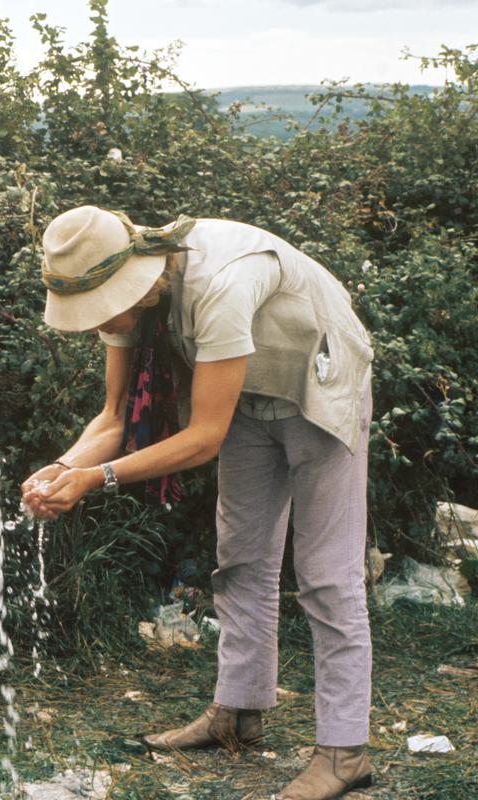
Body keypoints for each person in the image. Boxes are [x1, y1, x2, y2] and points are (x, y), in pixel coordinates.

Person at [21, 206, 374, 800]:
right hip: (247, 397)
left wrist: (95, 479)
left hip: (320, 381)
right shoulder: (122, 290)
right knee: (239, 560)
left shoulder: (221, 283)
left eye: (100, 311)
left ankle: (344, 752)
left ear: (135, 282)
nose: (95, 326)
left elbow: (203, 437)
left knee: (326, 576)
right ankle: (238, 711)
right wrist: (61, 469)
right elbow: (112, 418)